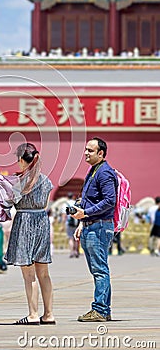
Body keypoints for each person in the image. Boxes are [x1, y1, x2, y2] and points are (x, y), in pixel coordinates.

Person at [5, 142, 55, 325]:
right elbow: (46, 203)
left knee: (29, 274)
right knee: (44, 273)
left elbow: (6, 204)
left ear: (21, 160)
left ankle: (33, 314)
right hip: (42, 222)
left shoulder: (19, 182)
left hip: (24, 223)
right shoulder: (46, 180)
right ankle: (48, 314)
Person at [73, 137, 117, 322]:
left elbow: (110, 201)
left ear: (101, 153)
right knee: (98, 270)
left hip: (99, 227)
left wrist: (86, 213)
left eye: (90, 151)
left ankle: (99, 310)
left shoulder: (104, 173)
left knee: (100, 270)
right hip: (91, 226)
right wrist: (81, 222)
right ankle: (103, 310)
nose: (86, 153)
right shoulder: (94, 171)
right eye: (85, 150)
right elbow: (88, 200)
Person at [61, 192, 80, 258]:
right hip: (77, 222)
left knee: (70, 238)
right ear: (73, 196)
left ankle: (71, 252)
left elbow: (64, 215)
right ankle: (76, 251)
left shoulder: (65, 204)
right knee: (76, 238)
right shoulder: (76, 203)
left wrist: (62, 225)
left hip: (69, 223)